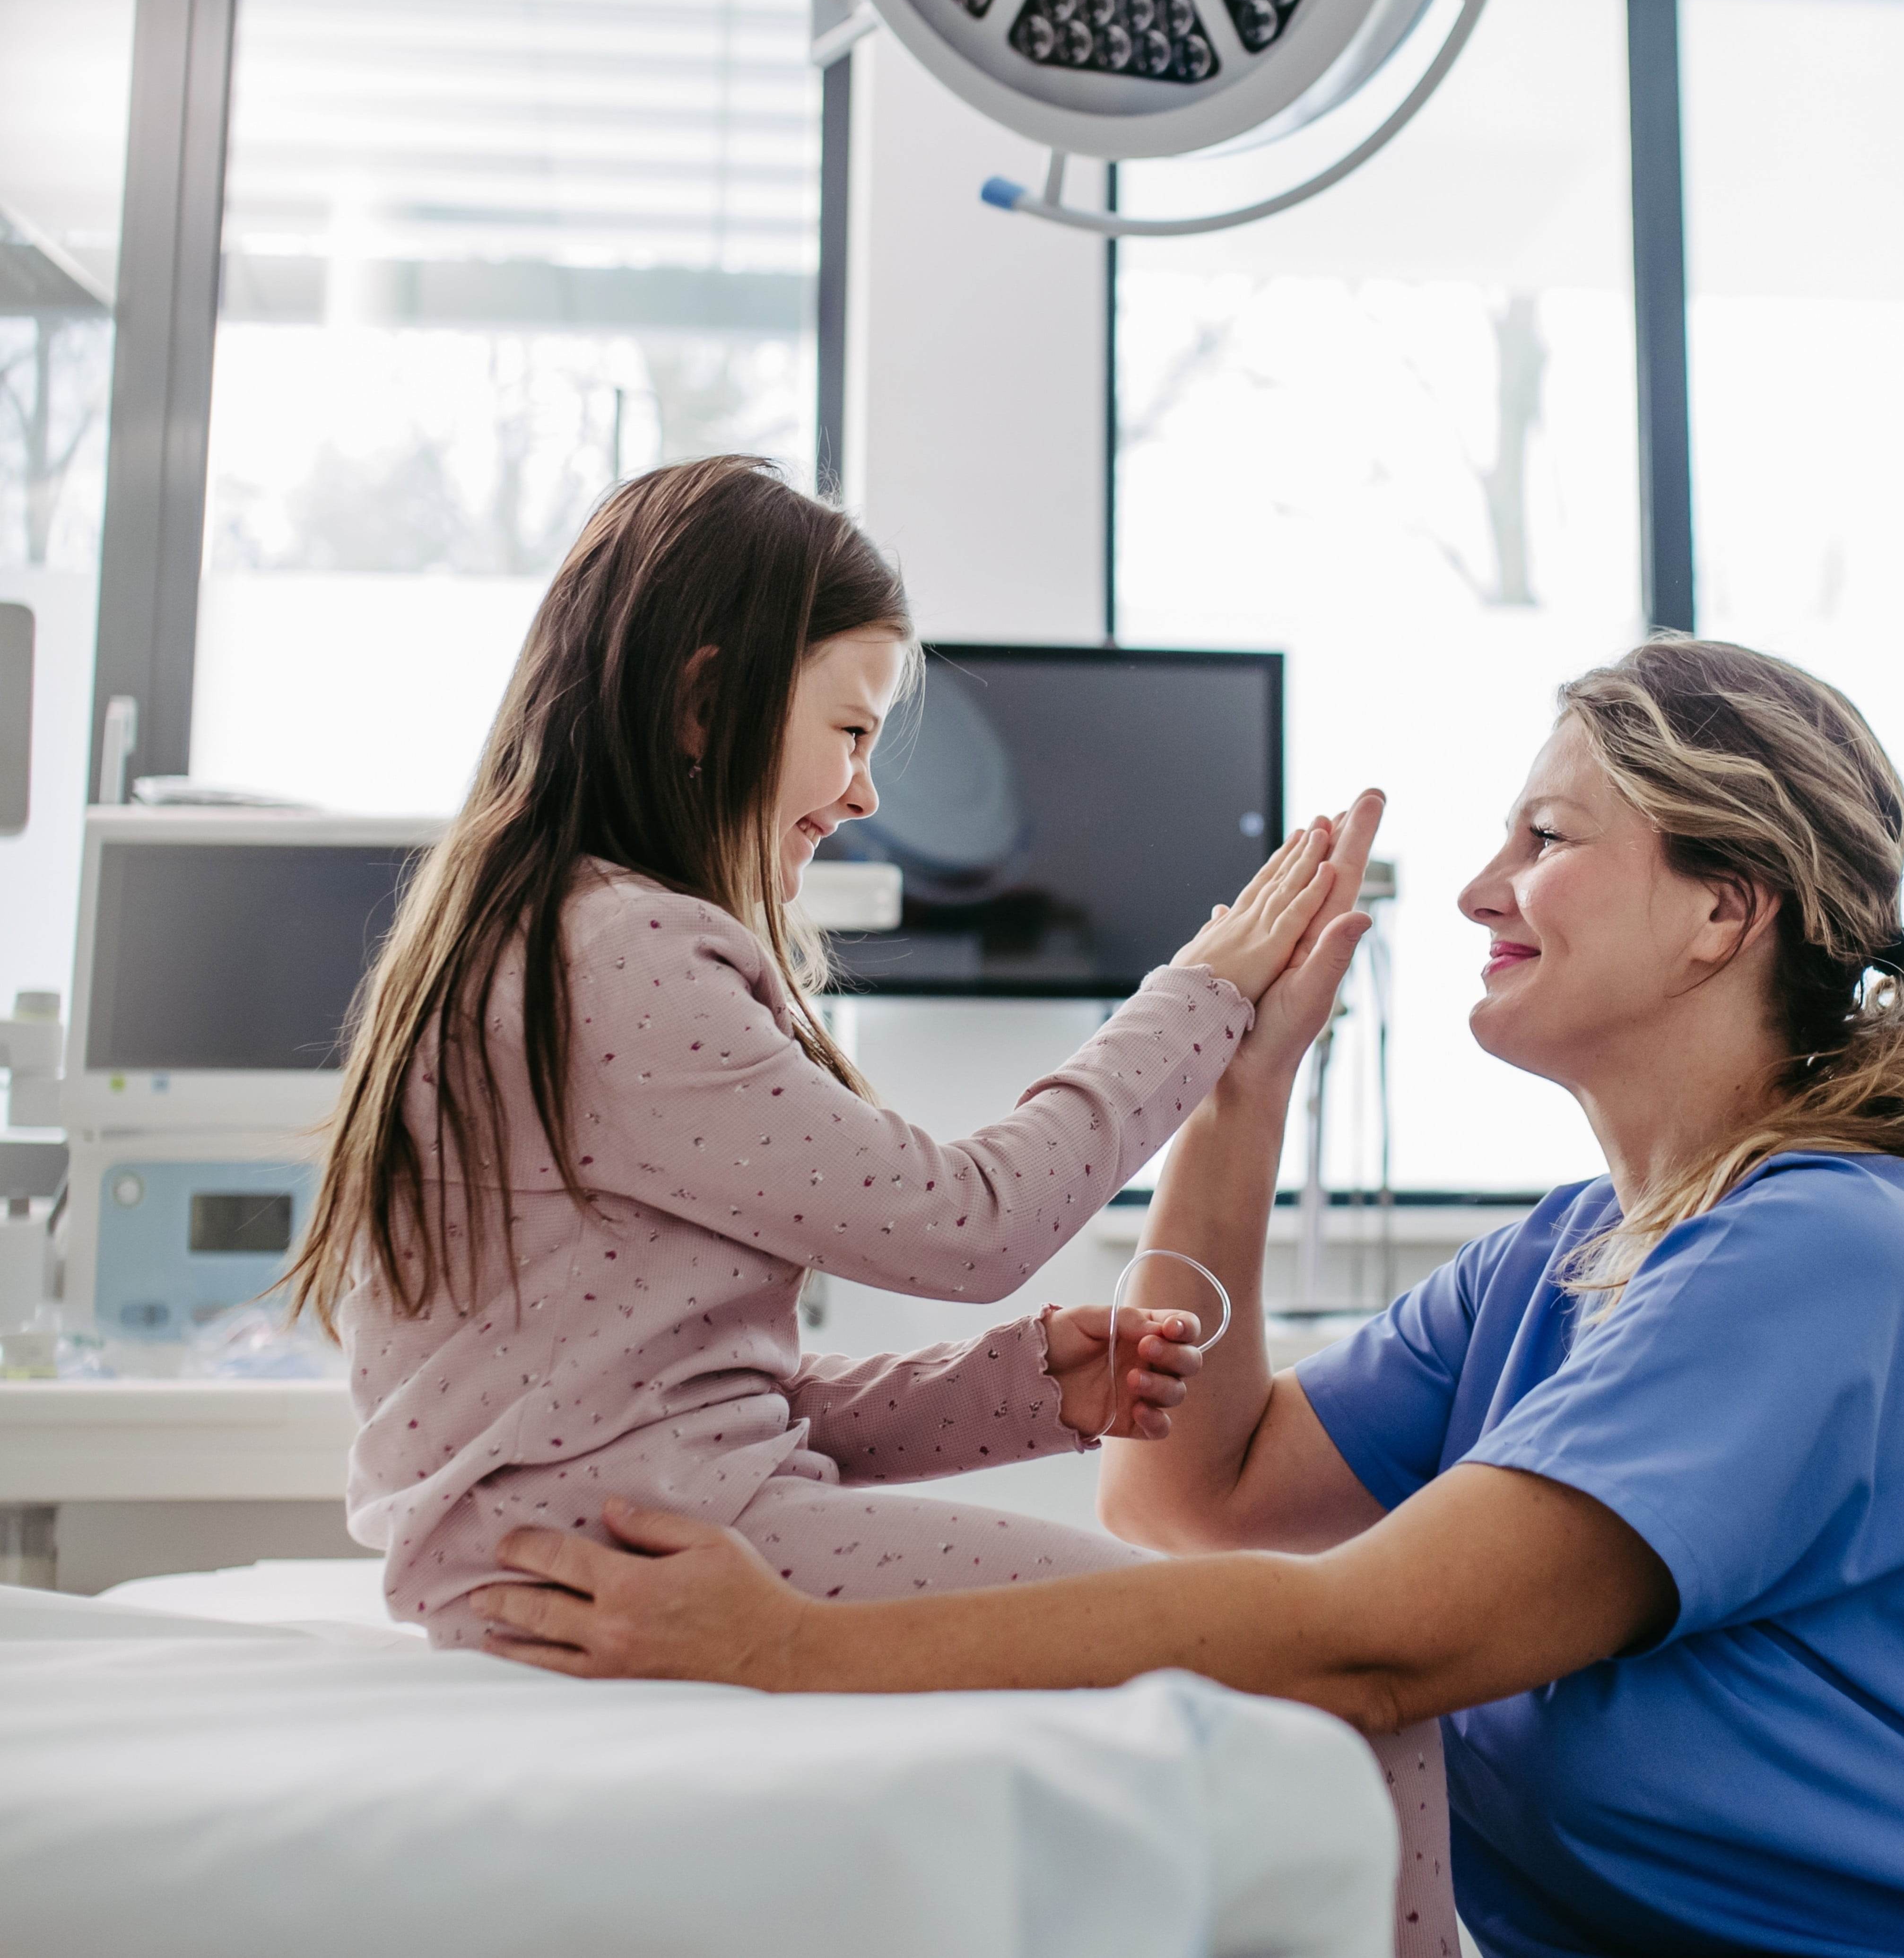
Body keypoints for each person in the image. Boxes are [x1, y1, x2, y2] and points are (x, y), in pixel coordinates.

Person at [469, 636, 1904, 1958]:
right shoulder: (1561, 1257)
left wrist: (790, 1647)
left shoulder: (1823, 1253)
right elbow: (1191, 1495)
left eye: (1545, 838)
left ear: (1723, 910)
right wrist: (1242, 1080)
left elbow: (1374, 1641)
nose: (1483, 887)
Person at [284, 456, 1356, 1650]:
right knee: (1309, 1654)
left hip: (616, 1538)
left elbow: (696, 1414)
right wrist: (1201, 993)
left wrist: (1018, 1389)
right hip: (641, 1558)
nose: (860, 795)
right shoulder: (625, 956)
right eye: (850, 730)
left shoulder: (538, 935)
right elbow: (974, 1224)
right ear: (705, 704)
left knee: (1275, 1639)